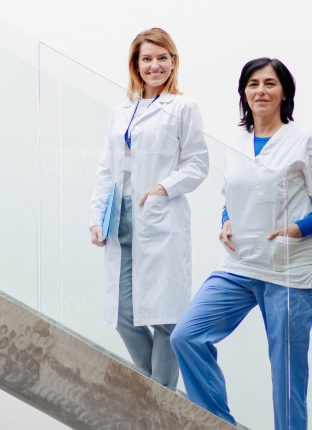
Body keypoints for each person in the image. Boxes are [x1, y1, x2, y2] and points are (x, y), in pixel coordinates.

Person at [170, 57, 312, 430]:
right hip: (238, 266)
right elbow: (230, 196)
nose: (261, 91)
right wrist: (226, 220)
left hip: (290, 271)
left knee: (287, 380)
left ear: (285, 92)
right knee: (186, 337)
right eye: (253, 84)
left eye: (270, 83)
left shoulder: (305, 139)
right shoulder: (234, 144)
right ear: (244, 93)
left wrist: (299, 228)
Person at [88, 28, 208, 390]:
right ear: (135, 65)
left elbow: (197, 164)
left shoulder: (183, 108)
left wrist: (163, 188)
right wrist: (96, 217)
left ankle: (159, 398)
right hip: (120, 217)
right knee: (126, 316)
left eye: (162, 58)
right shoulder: (121, 111)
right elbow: (107, 168)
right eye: (147, 59)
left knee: (167, 318)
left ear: (173, 62)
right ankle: (156, 389)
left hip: (159, 217)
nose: (154, 65)